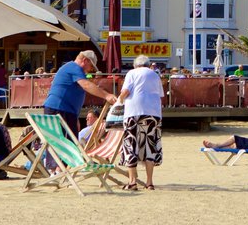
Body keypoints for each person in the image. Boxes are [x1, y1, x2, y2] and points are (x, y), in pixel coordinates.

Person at [43, 50, 117, 138]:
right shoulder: (74, 67)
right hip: (59, 109)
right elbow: (86, 85)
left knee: (68, 142)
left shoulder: (72, 68)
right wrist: (107, 95)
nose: (91, 70)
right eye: (91, 66)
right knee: (61, 143)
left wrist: (75, 117)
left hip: (64, 110)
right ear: (85, 60)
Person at [117, 54, 164, 191]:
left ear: (135, 65)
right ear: (148, 65)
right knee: (150, 145)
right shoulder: (155, 75)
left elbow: (125, 91)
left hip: (134, 111)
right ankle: (149, 182)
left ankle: (132, 181)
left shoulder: (132, 73)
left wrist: (119, 101)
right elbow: (160, 94)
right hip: (153, 112)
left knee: (131, 144)